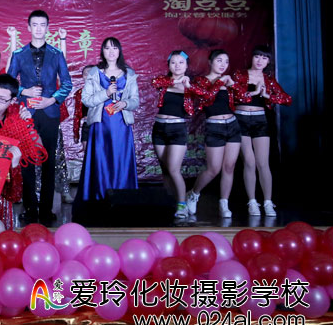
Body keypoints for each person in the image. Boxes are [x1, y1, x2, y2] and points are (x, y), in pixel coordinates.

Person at [6, 10, 72, 225]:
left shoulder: (56, 54)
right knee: (26, 161)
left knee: (49, 161)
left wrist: (51, 100)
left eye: (42, 25)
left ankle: (46, 209)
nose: (38, 28)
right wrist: (24, 91)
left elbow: (67, 84)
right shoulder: (19, 54)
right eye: (34, 24)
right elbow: (9, 84)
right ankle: (29, 208)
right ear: (28, 27)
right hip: (27, 113)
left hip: (50, 112)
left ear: (48, 28)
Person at [77, 38, 140, 204]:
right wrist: (105, 93)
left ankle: (122, 198)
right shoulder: (94, 73)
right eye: (107, 48)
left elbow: (135, 100)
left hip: (121, 126)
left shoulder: (129, 73)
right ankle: (99, 198)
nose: (111, 52)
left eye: (114, 48)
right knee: (101, 162)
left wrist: (125, 103)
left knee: (121, 161)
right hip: (100, 125)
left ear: (119, 51)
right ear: (102, 52)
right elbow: (86, 100)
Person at [232, 45, 292, 217]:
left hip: (260, 120)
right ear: (252, 57)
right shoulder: (240, 75)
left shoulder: (269, 80)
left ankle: (267, 202)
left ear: (268, 62)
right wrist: (255, 92)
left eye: (264, 58)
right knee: (249, 162)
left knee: (263, 163)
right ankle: (252, 202)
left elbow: (287, 99)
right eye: (257, 56)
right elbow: (235, 95)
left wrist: (266, 96)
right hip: (241, 119)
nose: (260, 61)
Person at [185, 50, 241, 219]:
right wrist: (220, 82)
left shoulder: (228, 81)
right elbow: (207, 97)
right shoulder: (201, 81)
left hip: (232, 125)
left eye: (226, 61)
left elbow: (245, 98)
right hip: (215, 127)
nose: (223, 64)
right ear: (210, 62)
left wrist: (233, 85)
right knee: (213, 169)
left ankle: (224, 203)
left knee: (229, 167)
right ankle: (194, 194)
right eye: (219, 60)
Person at [151, 51, 202, 220]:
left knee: (174, 169)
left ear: (187, 66)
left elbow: (203, 94)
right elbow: (155, 82)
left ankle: (182, 204)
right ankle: (170, 201)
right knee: (165, 169)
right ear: (169, 65)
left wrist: (188, 85)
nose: (177, 66)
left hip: (177, 129)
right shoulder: (164, 81)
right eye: (173, 62)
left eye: (181, 62)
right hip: (159, 128)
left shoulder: (191, 85)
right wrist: (176, 81)